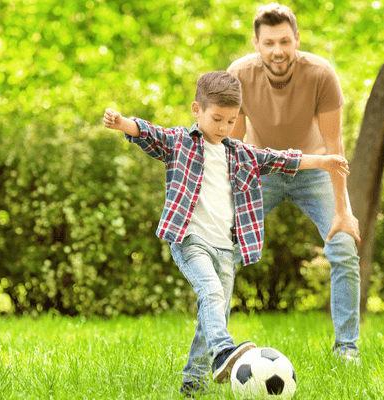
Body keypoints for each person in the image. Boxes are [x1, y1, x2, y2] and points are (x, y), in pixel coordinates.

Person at [103, 71, 351, 395]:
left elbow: (281, 158)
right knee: (211, 292)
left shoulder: (241, 154)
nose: (223, 127)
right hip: (189, 239)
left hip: (225, 248)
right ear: (197, 109)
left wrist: (324, 160)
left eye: (231, 121)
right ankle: (224, 351)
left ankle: (192, 383)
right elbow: (150, 134)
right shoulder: (180, 143)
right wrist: (123, 123)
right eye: (217, 118)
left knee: (215, 309)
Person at [227, 3, 362, 361]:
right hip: (262, 169)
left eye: (285, 41)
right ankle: (219, 348)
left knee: (345, 247)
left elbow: (335, 147)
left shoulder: (320, 74)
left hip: (314, 167)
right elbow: (233, 148)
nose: (278, 51)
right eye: (269, 42)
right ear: (256, 43)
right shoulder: (238, 75)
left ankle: (347, 349)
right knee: (222, 249)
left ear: (297, 40)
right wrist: (226, 209)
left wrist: (343, 210)